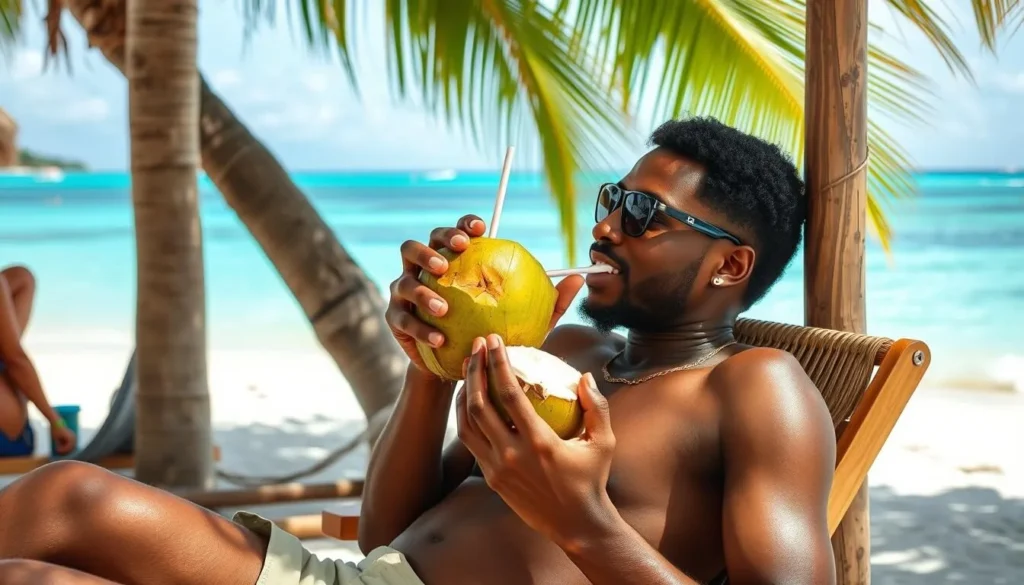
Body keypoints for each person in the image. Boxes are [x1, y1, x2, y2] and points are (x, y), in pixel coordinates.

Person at [0, 117, 836, 585]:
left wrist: (581, 520)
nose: (605, 225)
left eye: (644, 214)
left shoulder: (755, 389)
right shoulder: (570, 347)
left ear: (729, 264)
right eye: (614, 197)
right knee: (67, 494)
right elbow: (384, 532)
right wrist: (431, 363)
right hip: (359, 580)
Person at [0, 265, 77, 458]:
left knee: (22, 277)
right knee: (11, 355)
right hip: (8, 440)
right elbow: (16, 360)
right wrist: (55, 421)